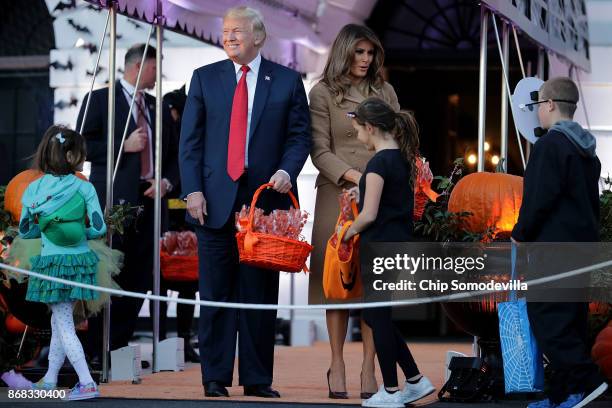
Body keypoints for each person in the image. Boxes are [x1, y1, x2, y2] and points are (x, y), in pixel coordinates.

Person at [179, 6, 311, 398]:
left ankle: (257, 379)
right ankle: (214, 377)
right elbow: (191, 142)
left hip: (265, 204)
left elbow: (299, 136)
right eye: (225, 31)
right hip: (213, 202)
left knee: (258, 296)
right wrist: (193, 191)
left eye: (238, 31)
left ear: (259, 37)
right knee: (216, 294)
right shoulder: (204, 79)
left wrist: (289, 169)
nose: (230, 36)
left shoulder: (287, 81)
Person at [308, 23, 399, 399]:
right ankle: (338, 362)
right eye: (359, 52)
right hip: (337, 193)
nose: (366, 59)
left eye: (370, 53)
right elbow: (318, 149)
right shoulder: (323, 92)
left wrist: (379, 179)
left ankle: (368, 366)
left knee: (372, 283)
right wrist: (356, 177)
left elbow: (397, 139)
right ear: (344, 51)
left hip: (379, 193)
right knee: (337, 281)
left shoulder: (386, 91)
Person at [76, 43, 179, 366]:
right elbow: (80, 147)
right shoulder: (100, 99)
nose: (156, 74)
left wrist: (166, 182)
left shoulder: (155, 105)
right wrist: (123, 144)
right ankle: (96, 348)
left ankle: (118, 347)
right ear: (136, 67)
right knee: (109, 274)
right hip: (113, 203)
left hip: (150, 202)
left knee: (139, 278)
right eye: (153, 68)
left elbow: (175, 154)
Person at [511, 77, 608, 408]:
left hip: (552, 249)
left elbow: (539, 198)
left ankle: (587, 381)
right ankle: (564, 394)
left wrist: (520, 234)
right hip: (581, 248)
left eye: (538, 106)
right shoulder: (587, 152)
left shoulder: (550, 145)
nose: (537, 113)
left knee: (548, 320)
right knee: (571, 321)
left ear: (549, 104)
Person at [343, 98, 435, 408]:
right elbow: (389, 199)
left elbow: (368, 215)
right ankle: (413, 380)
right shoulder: (402, 160)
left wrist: (348, 231)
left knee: (378, 316)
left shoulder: (377, 163)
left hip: (379, 246)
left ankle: (392, 390)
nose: (357, 136)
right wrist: (364, 191)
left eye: (358, 130)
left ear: (370, 128)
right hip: (397, 245)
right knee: (375, 315)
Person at [20, 126, 106, 400]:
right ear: (70, 156)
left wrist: (47, 229)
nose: (83, 158)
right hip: (79, 262)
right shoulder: (84, 186)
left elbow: (25, 231)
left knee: (63, 321)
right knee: (61, 321)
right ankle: (50, 379)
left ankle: (86, 382)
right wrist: (79, 231)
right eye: (81, 153)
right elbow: (98, 228)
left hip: (51, 263)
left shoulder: (33, 189)